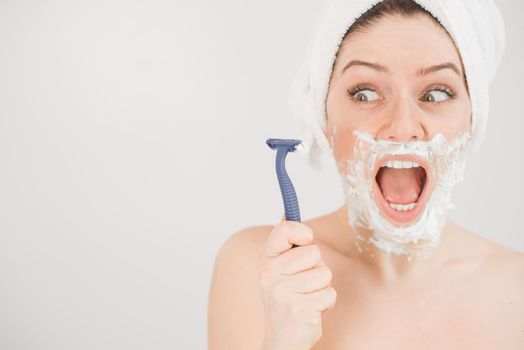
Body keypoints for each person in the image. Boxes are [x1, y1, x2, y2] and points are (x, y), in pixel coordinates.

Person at [208, 0, 524, 349]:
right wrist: (280, 342)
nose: (402, 127)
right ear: (322, 117)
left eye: (436, 93)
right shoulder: (260, 273)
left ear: (473, 117)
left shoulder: (518, 290)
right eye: (365, 93)